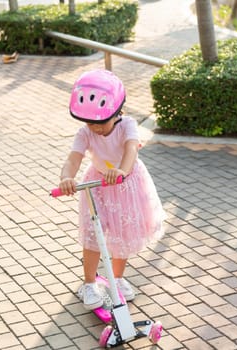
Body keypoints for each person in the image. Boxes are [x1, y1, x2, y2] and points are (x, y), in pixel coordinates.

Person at [58, 69, 166, 310]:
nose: (95, 128)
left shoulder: (127, 125)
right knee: (93, 234)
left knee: (122, 232)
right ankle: (89, 283)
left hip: (125, 184)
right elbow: (74, 158)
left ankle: (116, 278)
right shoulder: (85, 132)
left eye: (101, 122)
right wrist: (67, 177)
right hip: (97, 186)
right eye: (90, 122)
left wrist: (122, 171)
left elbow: (130, 149)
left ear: (117, 112)